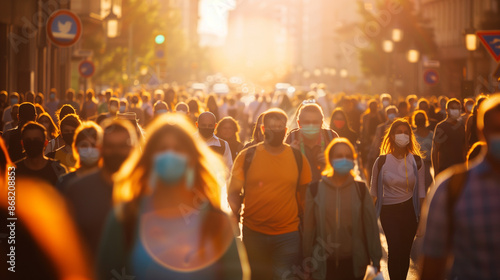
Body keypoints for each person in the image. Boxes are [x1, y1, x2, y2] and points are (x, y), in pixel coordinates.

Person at [97, 114, 249, 280]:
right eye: (162, 149)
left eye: (178, 149)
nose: (170, 155)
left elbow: (236, 275)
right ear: (149, 158)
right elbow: (105, 272)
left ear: (191, 158)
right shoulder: (126, 217)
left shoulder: (216, 220)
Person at [420, 94, 500, 280]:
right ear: (483, 132)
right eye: (497, 129)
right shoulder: (451, 188)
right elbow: (432, 265)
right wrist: (437, 169)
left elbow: (465, 146)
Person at [228, 108, 312, 280]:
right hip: (253, 233)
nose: (276, 131)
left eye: (280, 127)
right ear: (263, 130)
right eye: (271, 127)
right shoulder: (247, 156)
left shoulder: (298, 158)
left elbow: (306, 196)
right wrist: (233, 215)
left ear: (286, 131)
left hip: (288, 235)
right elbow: (233, 192)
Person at [301, 138, 382, 280]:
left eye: (348, 156)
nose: (344, 159)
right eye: (339, 156)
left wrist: (376, 260)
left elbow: (371, 227)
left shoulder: (361, 190)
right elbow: (309, 228)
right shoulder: (314, 189)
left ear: (353, 159)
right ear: (330, 159)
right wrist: (306, 260)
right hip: (323, 265)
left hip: (354, 263)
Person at [65, 119, 137, 260]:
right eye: (110, 146)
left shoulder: (144, 190)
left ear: (132, 148)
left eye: (122, 146)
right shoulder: (77, 190)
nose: (116, 152)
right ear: (101, 149)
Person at [370, 118, 425, 280]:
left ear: (410, 136)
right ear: (392, 136)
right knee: (394, 248)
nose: (402, 135)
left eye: (406, 132)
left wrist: (422, 219)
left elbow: (421, 191)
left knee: (405, 252)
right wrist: (369, 220)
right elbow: (373, 193)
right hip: (388, 211)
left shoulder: (416, 161)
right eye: (399, 132)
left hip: (410, 211)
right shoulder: (381, 161)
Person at [285, 103, 338, 182]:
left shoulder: (331, 137)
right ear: (299, 124)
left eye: (315, 122)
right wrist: (290, 155)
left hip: (326, 188)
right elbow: (283, 170)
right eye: (307, 122)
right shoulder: (292, 138)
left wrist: (330, 163)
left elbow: (342, 167)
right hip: (301, 189)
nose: (311, 125)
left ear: (321, 123)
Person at [56, 121, 103, 192]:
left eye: (93, 145)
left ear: (101, 148)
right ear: (76, 148)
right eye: (84, 145)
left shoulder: (109, 182)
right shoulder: (65, 182)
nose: (89, 149)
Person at [432, 98, 466, 177]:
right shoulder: (441, 127)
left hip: (459, 170)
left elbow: (464, 149)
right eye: (453, 108)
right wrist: (436, 172)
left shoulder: (461, 126)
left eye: (458, 108)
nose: (456, 111)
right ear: (447, 110)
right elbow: (435, 150)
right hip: (445, 170)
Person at [412, 110, 434, 191]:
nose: (420, 120)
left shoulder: (431, 134)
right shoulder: (412, 135)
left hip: (428, 166)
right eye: (418, 119)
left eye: (421, 118)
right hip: (415, 166)